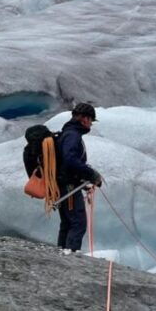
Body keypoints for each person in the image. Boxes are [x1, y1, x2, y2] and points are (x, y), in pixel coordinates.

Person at [57, 103, 103, 253]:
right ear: (84, 118)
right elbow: (69, 159)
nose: (91, 124)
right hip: (68, 185)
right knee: (78, 222)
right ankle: (70, 255)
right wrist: (90, 174)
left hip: (66, 184)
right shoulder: (72, 135)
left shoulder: (68, 133)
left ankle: (62, 254)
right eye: (91, 120)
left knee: (67, 222)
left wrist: (82, 181)